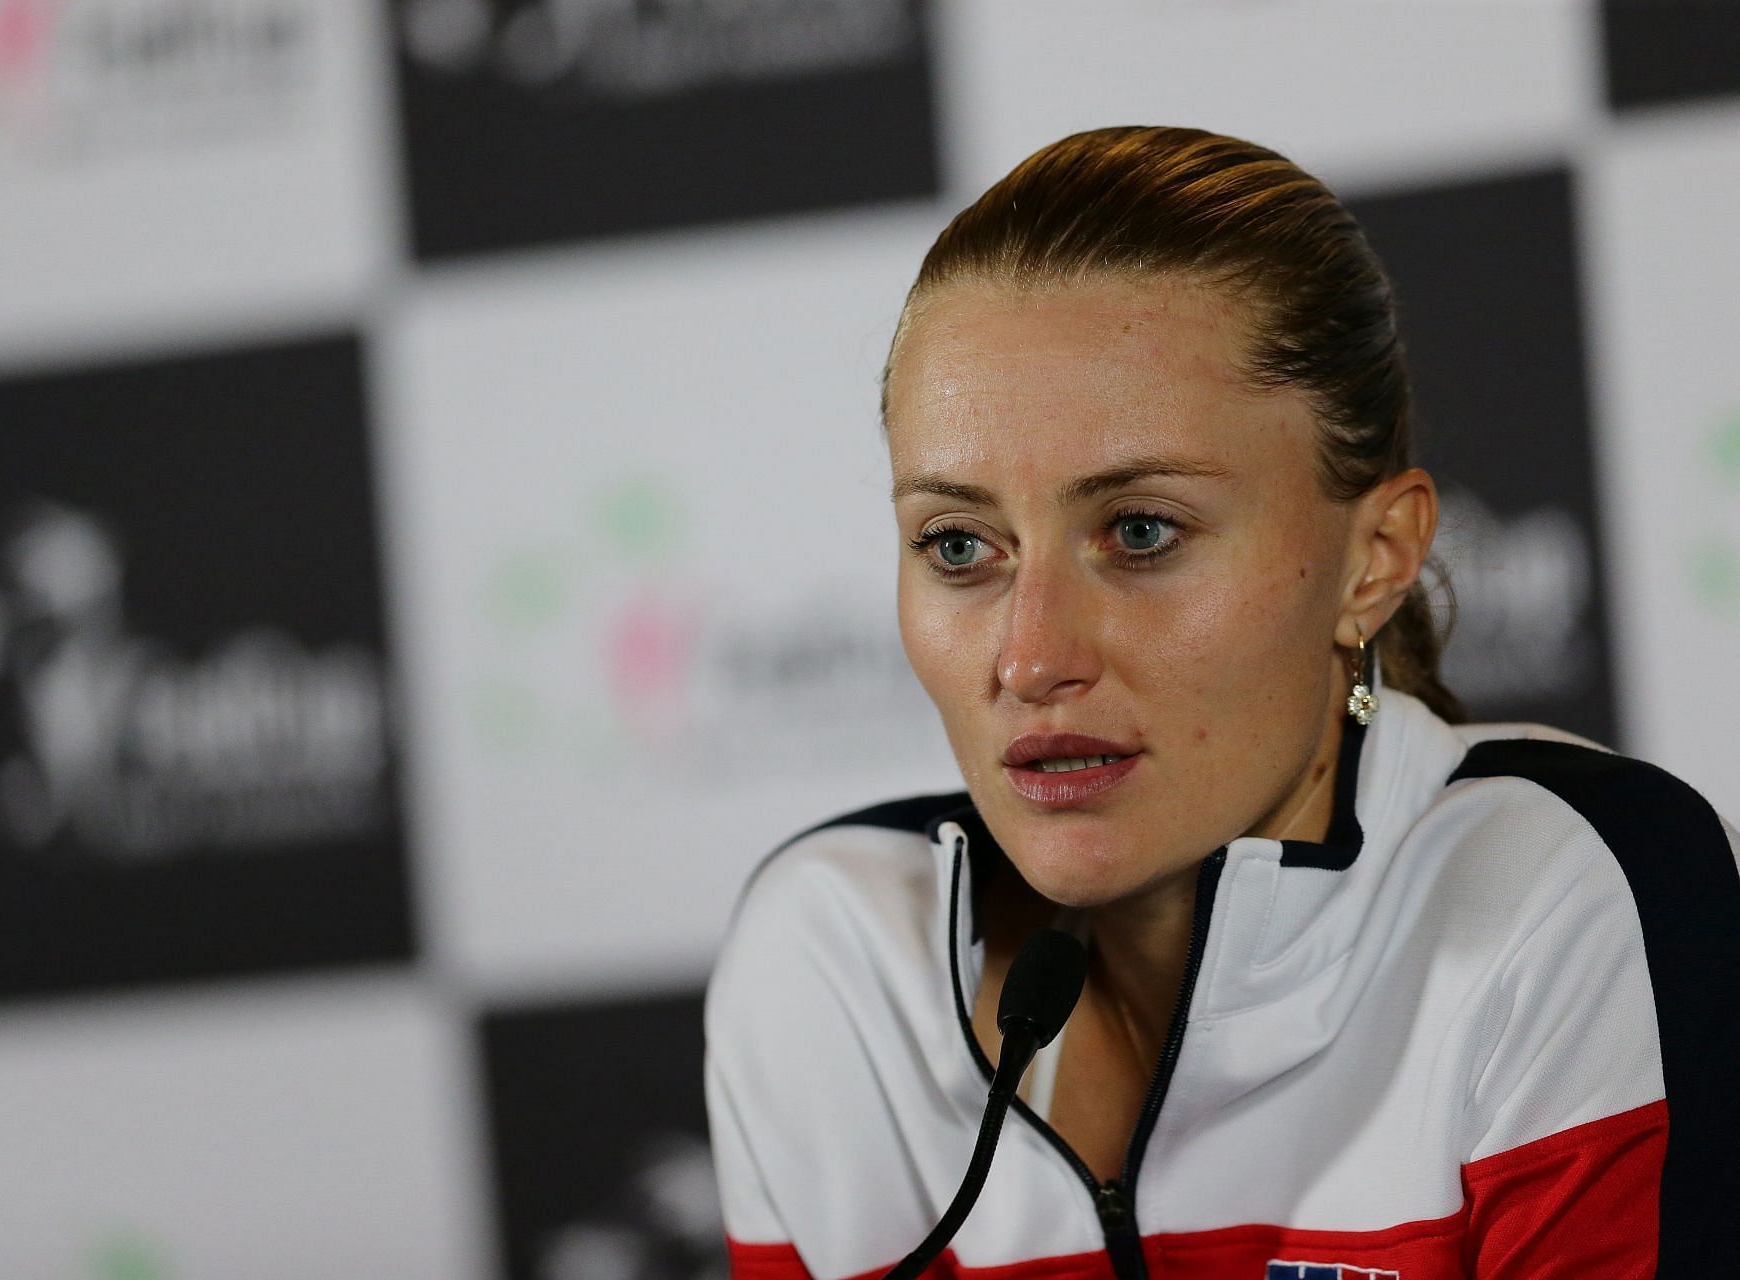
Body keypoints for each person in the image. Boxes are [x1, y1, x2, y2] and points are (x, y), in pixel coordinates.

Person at [702, 126, 1740, 1280]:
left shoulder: (1562, 888)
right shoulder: (831, 952)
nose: (1031, 655)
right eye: (958, 544)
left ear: (1376, 557)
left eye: (1142, 530)